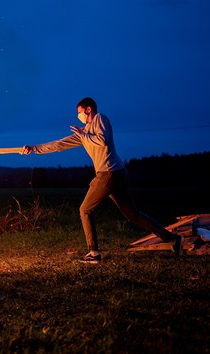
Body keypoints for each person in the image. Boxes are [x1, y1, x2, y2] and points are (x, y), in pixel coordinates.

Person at [20, 97, 181, 264]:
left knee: (85, 210)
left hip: (109, 173)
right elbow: (59, 144)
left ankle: (94, 253)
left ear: (88, 109)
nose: (79, 116)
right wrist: (34, 149)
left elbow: (102, 140)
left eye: (80, 112)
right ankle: (171, 238)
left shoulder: (100, 119)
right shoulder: (84, 132)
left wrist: (83, 134)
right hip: (115, 174)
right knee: (133, 215)